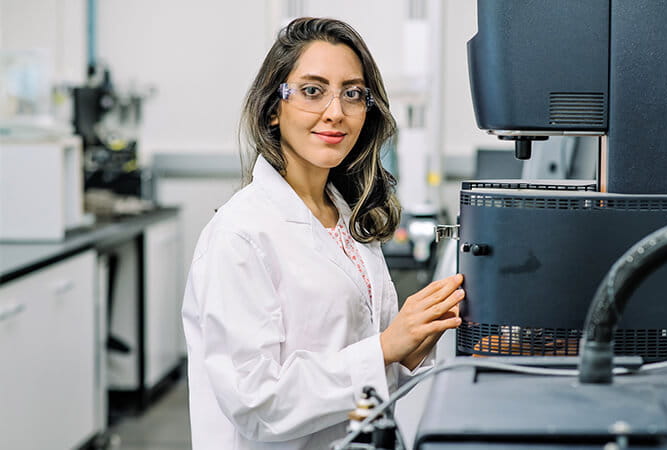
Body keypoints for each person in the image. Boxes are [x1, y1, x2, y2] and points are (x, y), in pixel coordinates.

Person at [181, 17, 464, 449]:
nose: (336, 111)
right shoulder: (240, 235)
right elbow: (257, 404)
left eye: (352, 93)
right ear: (273, 109)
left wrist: (416, 342)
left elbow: (368, 360)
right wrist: (387, 347)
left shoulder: (345, 218)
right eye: (313, 91)